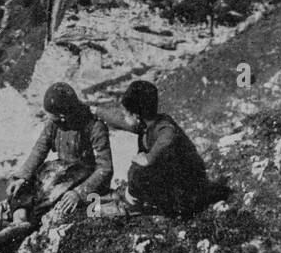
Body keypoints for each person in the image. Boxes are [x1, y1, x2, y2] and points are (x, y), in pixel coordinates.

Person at [0, 82, 113, 247]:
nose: (52, 121)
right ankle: (19, 220)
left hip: (84, 173)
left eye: (55, 118)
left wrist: (79, 193)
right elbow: (40, 149)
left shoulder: (95, 127)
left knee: (51, 193)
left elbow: (105, 168)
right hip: (61, 168)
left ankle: (28, 226)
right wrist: (22, 177)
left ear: (64, 116)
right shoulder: (54, 124)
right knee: (23, 185)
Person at [98, 80, 229, 218]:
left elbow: (168, 135)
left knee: (138, 170)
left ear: (136, 115)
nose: (123, 117)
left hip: (186, 195)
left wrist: (149, 158)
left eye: (126, 114)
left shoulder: (164, 127)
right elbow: (119, 120)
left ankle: (131, 206)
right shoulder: (147, 123)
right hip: (179, 185)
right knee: (139, 170)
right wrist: (97, 111)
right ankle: (130, 197)